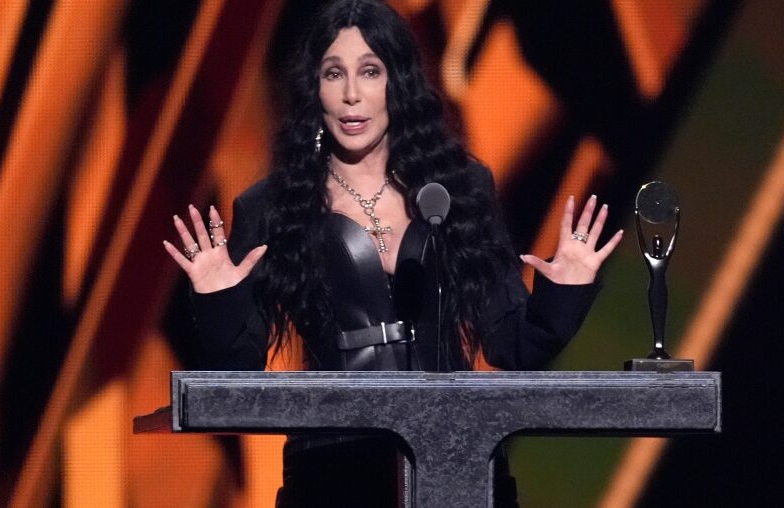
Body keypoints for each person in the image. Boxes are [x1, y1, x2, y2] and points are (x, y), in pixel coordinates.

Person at [163, 0, 622, 506]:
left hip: (455, 460)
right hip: (334, 470)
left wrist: (567, 289)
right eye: (334, 73)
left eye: (370, 71)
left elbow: (511, 345)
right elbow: (238, 374)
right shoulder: (271, 207)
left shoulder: (463, 188)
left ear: (398, 83)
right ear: (314, 89)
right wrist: (218, 297)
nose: (352, 94)